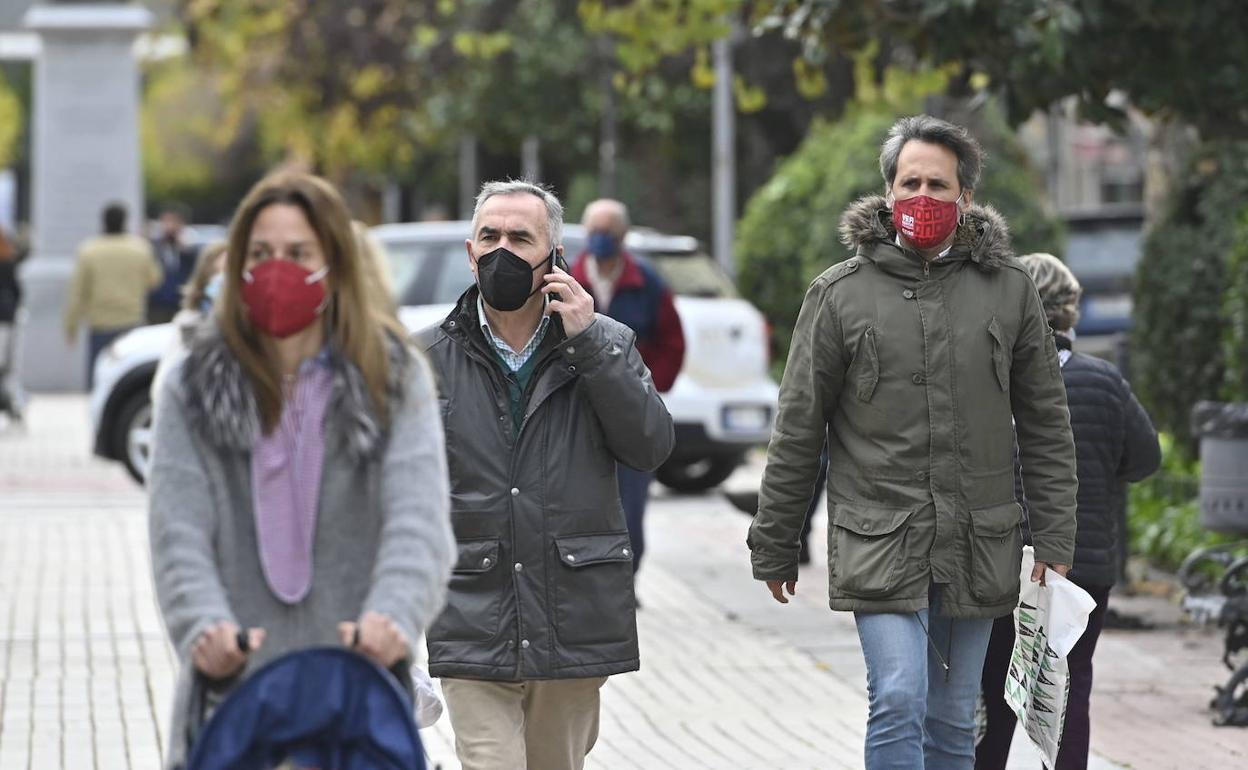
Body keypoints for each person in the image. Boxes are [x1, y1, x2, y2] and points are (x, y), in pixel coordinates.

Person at [747, 115, 1078, 770]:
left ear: (965, 197)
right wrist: (776, 540)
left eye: (938, 184)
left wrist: (1057, 536)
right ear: (888, 191)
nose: (922, 197)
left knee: (954, 720)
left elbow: (1045, 422)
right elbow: (798, 426)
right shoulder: (840, 295)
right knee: (899, 694)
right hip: (880, 537)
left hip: (977, 539)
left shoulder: (1009, 292)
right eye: (910, 182)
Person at [147, 172, 455, 769]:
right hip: (236, 694)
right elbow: (177, 527)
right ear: (236, 266)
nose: (276, 269)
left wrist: (393, 614)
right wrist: (203, 626)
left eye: (297, 254)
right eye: (260, 254)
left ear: (334, 264)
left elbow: (418, 519)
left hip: (355, 689)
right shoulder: (191, 385)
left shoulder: (392, 377)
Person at [418, 180, 674, 770]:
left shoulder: (605, 344)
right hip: (471, 611)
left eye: (520, 237)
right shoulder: (425, 358)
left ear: (554, 257)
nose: (502, 250)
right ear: (470, 252)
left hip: (571, 612)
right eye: (490, 236)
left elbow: (650, 446)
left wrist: (590, 347)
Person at [976, 253, 1160, 770]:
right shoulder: (1105, 381)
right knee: (1070, 687)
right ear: (1071, 310)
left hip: (1009, 560)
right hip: (1087, 563)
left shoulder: (995, 378)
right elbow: (1146, 457)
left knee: (997, 686)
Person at [570, 198, 685, 573]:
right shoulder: (570, 280)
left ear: (622, 236)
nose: (601, 240)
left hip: (631, 409)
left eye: (609, 232)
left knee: (631, 505)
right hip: (580, 412)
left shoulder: (646, 283)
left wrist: (651, 388)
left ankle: (626, 578)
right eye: (595, 232)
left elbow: (673, 341)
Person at [63, 202, 162, 388]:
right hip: (131, 320)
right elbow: (154, 280)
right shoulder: (140, 248)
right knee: (130, 382)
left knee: (100, 382)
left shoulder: (89, 250)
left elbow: (78, 292)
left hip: (100, 324)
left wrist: (71, 326)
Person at [150, 241, 228, 400]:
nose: (224, 282)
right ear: (205, 280)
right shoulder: (189, 325)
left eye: (229, 274)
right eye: (218, 275)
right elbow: (164, 386)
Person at [148, 202, 199, 324]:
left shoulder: (188, 250)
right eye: (166, 222)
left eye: (174, 222)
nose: (169, 226)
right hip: (157, 305)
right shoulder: (153, 247)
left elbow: (195, 272)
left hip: (179, 303)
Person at [0, 227, 24, 421]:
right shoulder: (8, 262)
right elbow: (17, 291)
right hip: (8, 317)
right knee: (9, 365)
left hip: (5, 318)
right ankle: (11, 402)